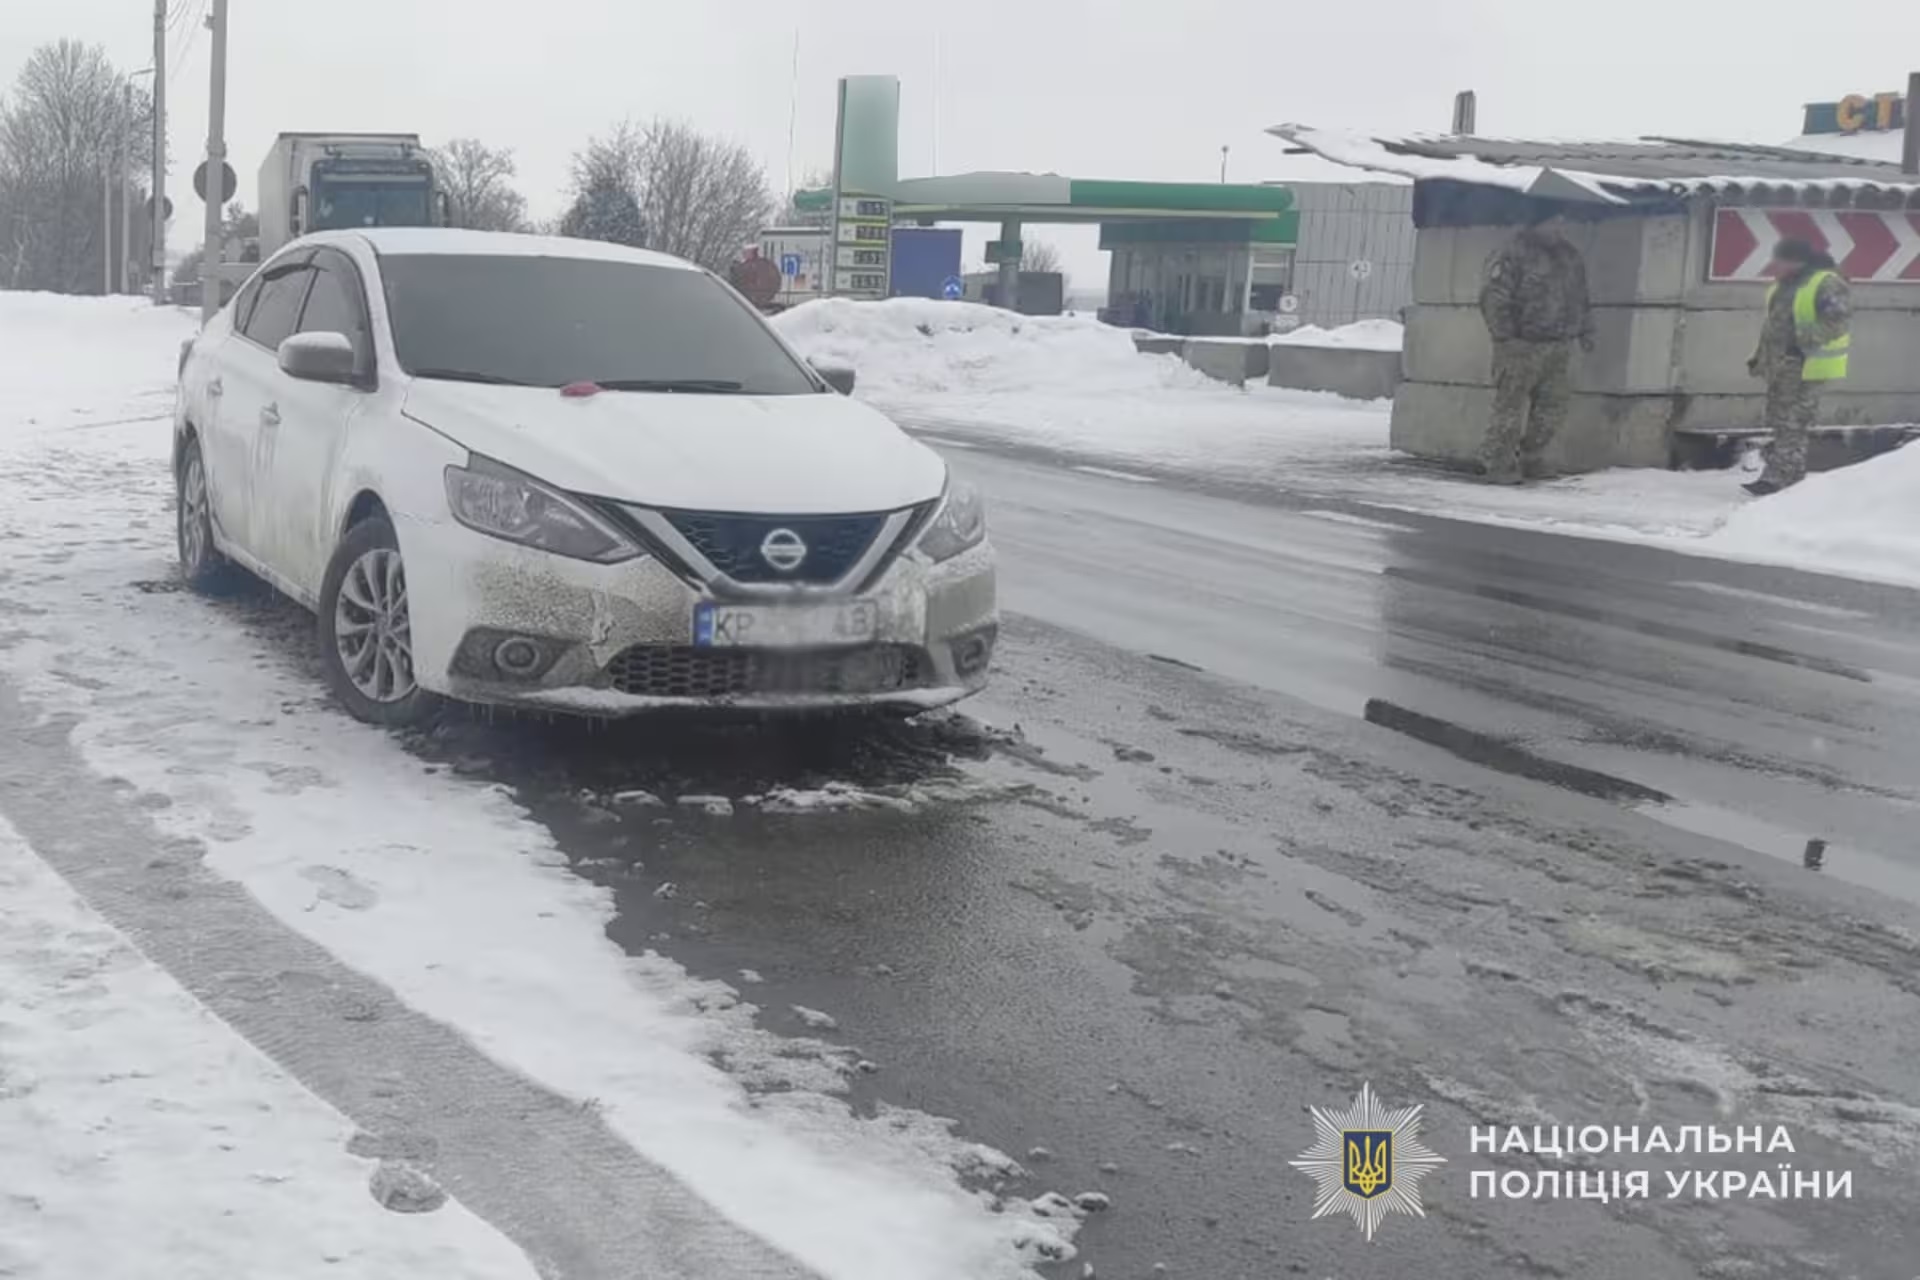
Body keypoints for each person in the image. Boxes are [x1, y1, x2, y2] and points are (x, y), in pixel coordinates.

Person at [1477, 209, 1595, 483]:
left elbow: (1581, 296)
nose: (1559, 226)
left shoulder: (1569, 256)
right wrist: (1506, 337)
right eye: (1553, 220)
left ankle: (1533, 457)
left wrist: (1586, 330)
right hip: (1521, 347)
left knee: (1552, 408)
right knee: (1509, 407)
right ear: (1537, 222)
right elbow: (1493, 297)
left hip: (1558, 345)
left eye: (1563, 220)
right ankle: (1498, 463)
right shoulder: (1513, 252)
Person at [1744, 238, 1851, 496]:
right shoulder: (1783, 285)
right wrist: (1761, 356)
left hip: (1807, 365)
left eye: (1779, 261)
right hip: (1781, 365)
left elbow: (1837, 322)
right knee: (1780, 420)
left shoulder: (1825, 282)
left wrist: (1801, 343)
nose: (1775, 266)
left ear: (1795, 261)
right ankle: (1779, 474)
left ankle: (1783, 480)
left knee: (1794, 422)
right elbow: (1774, 325)